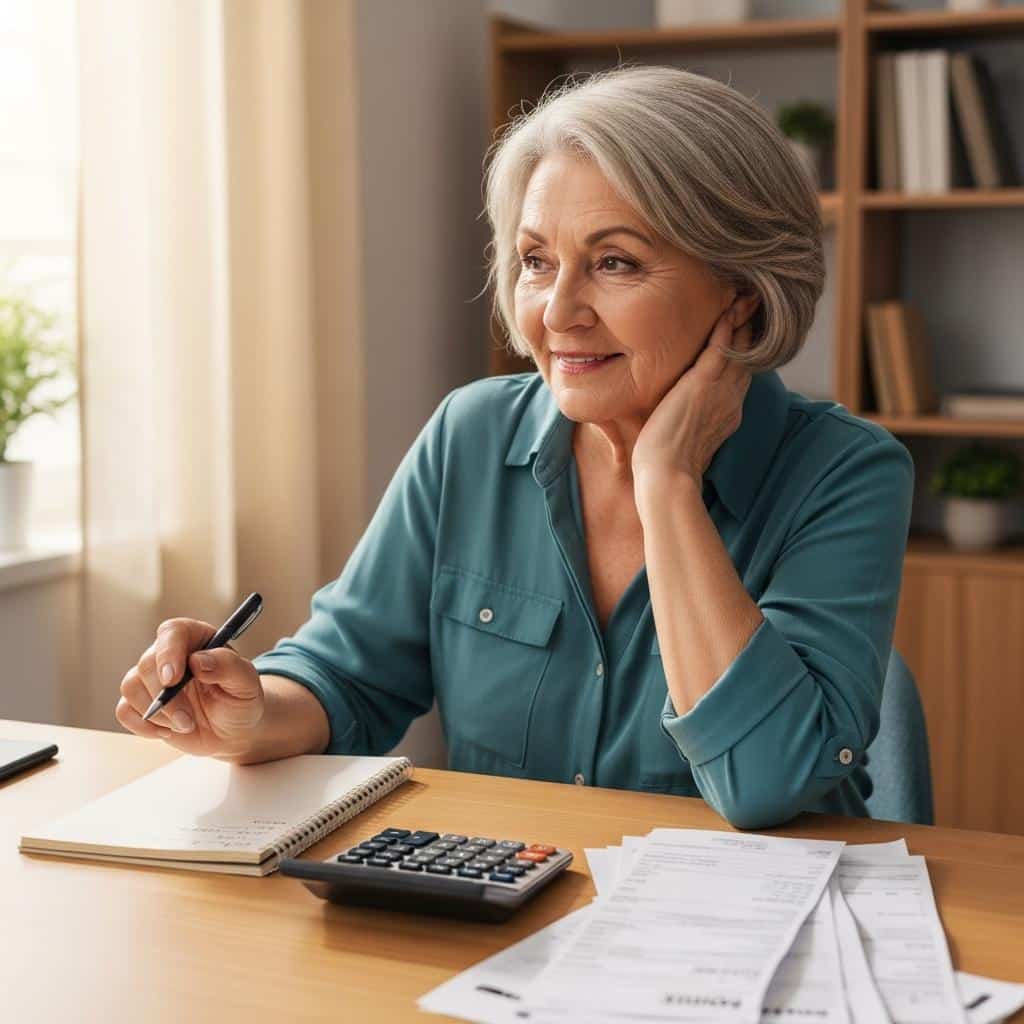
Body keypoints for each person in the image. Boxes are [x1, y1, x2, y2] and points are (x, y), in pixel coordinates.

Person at [115, 66, 913, 830]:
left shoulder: (845, 475)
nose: (558, 312)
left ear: (743, 294)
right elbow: (347, 675)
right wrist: (251, 714)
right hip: (507, 928)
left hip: (753, 944)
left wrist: (666, 485)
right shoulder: (470, 435)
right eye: (537, 261)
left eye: (613, 263)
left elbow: (766, 781)